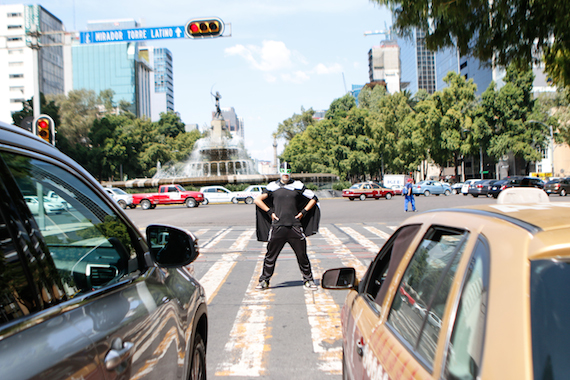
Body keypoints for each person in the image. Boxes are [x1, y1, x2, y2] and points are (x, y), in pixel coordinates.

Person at [254, 162, 321, 290]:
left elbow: (313, 198)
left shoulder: (297, 186)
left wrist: (303, 213)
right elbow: (258, 200)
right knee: (270, 256)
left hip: (294, 226)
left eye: (287, 171)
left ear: (290, 172)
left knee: (302, 256)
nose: (285, 173)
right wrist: (270, 212)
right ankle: (264, 281)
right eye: (283, 170)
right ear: (279, 171)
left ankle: (308, 280)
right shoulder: (272, 186)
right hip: (278, 227)